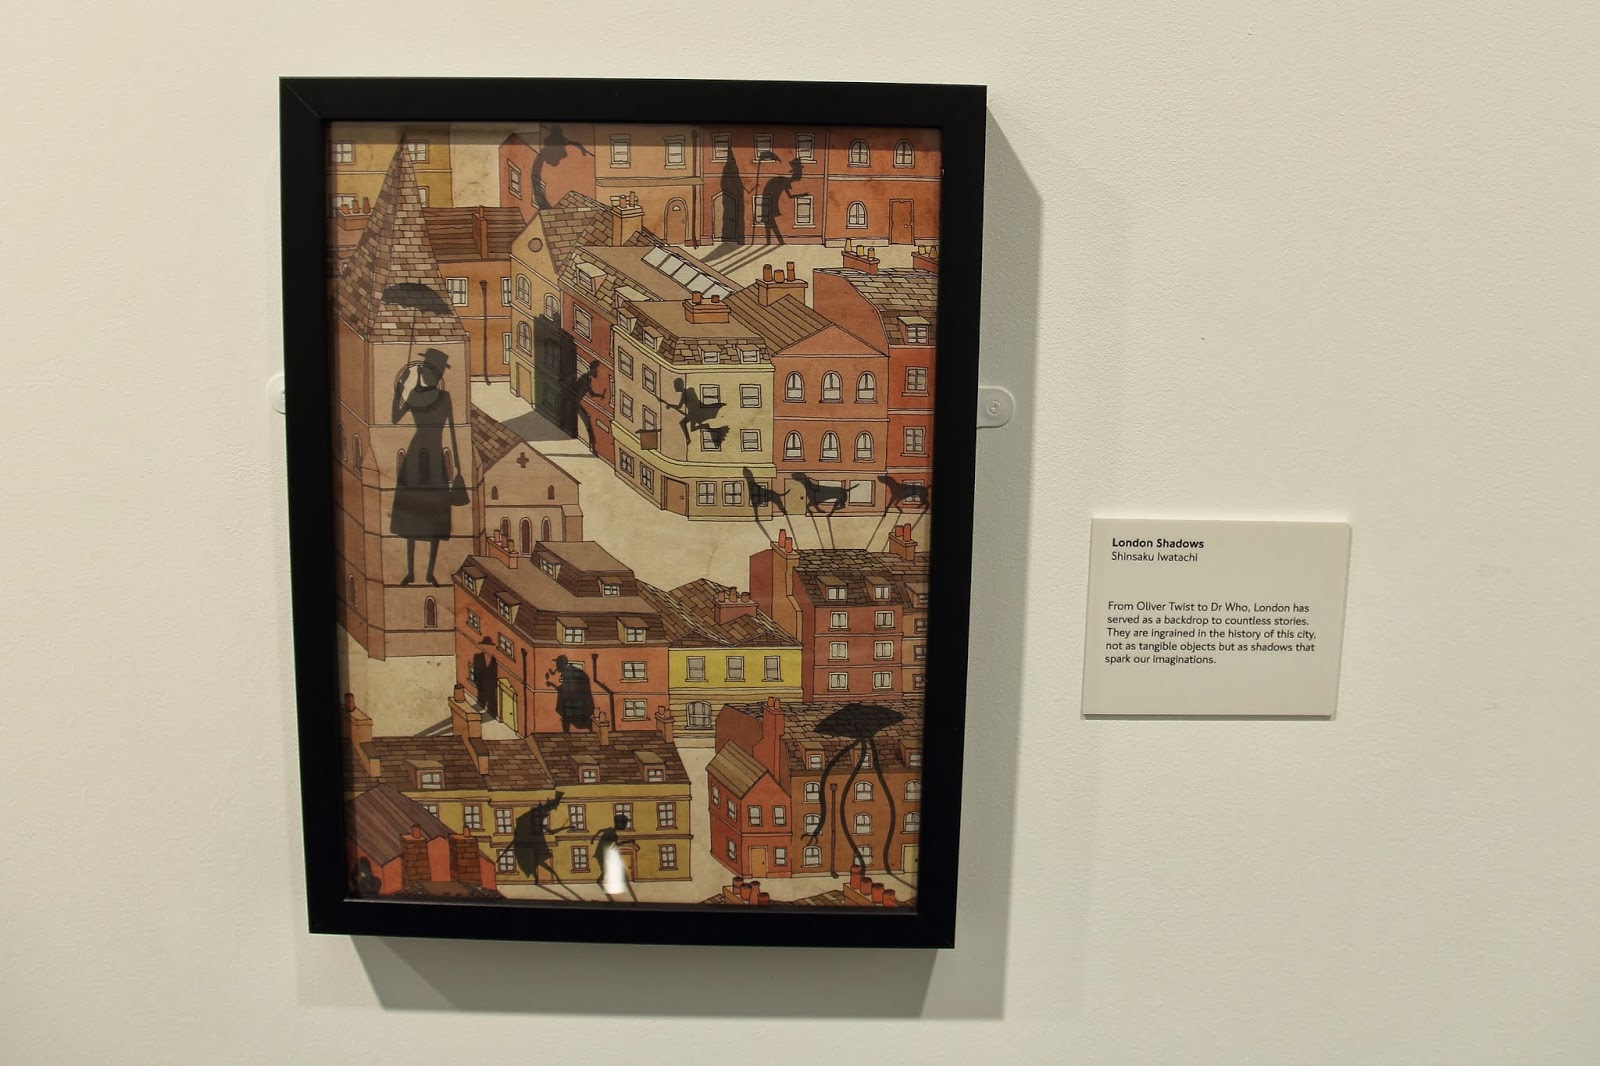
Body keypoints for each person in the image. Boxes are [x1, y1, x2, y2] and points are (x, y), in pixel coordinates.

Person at [390, 348, 463, 585]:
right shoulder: (429, 396)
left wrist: (399, 388)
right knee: (415, 512)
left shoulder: (435, 397)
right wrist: (400, 389)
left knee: (431, 514)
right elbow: (395, 418)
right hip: (425, 454)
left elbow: (452, 433)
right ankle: (414, 572)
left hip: (428, 455)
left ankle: (427, 572)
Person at [592, 813, 637, 902]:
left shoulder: (609, 830)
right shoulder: (612, 834)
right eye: (624, 824)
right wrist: (628, 841)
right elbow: (615, 844)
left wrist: (593, 839)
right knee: (606, 874)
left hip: (605, 854)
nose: (625, 826)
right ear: (618, 824)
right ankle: (612, 898)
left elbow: (600, 830)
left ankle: (613, 898)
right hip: (602, 854)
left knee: (609, 873)